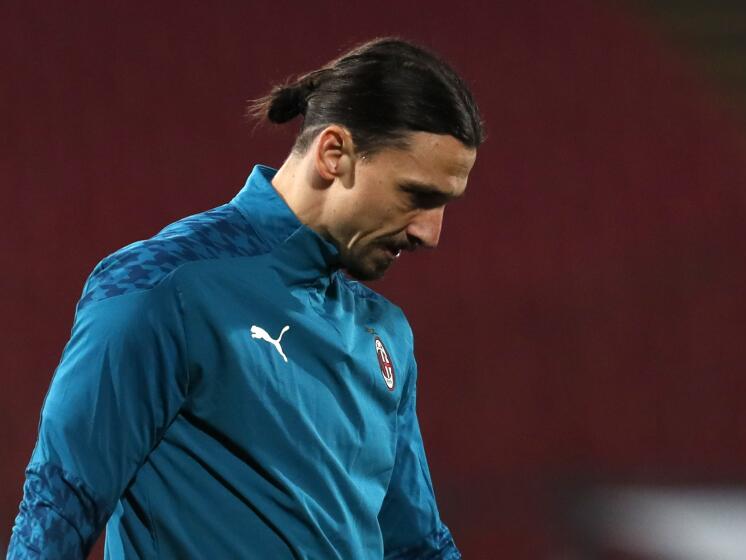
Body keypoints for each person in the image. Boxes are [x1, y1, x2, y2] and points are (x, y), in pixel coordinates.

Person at [7, 36, 484, 559]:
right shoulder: (167, 286)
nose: (431, 233)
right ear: (334, 154)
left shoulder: (384, 334)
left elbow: (415, 547)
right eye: (417, 196)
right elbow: (58, 504)